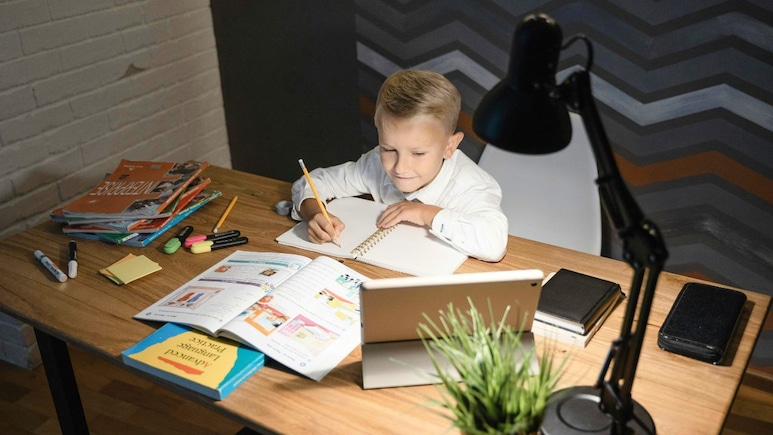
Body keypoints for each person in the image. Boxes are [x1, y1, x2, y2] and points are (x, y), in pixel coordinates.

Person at [291, 70, 508, 262]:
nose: (400, 167)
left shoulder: (474, 185)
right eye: (389, 149)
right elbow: (314, 181)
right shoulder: (375, 164)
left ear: (449, 146)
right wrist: (314, 213)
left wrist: (425, 214)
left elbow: (495, 244)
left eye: (418, 153)